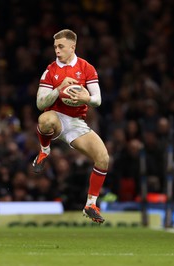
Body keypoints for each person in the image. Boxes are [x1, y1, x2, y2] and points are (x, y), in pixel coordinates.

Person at [32, 29, 109, 224]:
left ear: (72, 47)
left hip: (76, 122)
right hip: (56, 117)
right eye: (55, 47)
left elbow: (98, 99)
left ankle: (90, 204)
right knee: (44, 120)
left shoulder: (86, 68)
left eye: (61, 47)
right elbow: (40, 104)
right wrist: (58, 89)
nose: (57, 51)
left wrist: (87, 99)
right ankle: (44, 151)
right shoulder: (50, 70)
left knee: (103, 158)